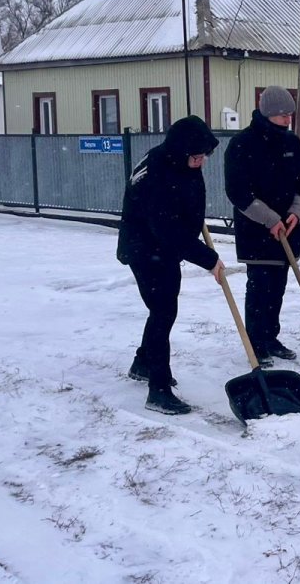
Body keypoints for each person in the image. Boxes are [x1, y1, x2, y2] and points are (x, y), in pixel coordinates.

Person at [117, 115, 225, 415]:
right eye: (196, 157)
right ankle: (159, 389)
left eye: (204, 156)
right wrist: (209, 258)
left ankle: (142, 362)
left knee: (161, 309)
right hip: (145, 250)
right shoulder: (158, 174)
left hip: (161, 248)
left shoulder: (178, 162)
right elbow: (167, 229)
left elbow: (185, 204)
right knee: (163, 312)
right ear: (181, 151)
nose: (201, 162)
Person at [223, 86, 300, 364]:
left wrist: (296, 213)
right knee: (260, 285)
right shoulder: (242, 144)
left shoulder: (291, 143)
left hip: (289, 228)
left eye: (290, 115)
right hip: (257, 229)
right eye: (282, 115)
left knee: (278, 286)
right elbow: (238, 192)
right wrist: (271, 220)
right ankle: (256, 341)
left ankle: (271, 337)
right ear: (267, 113)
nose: (287, 120)